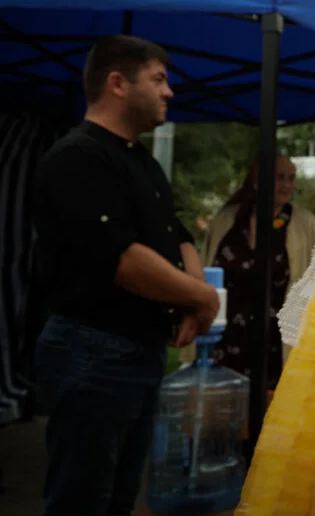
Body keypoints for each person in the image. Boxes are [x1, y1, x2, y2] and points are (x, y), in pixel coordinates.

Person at [32, 36, 220, 516]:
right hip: (93, 349)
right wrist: (202, 297)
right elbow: (125, 262)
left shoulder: (140, 161)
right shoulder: (77, 156)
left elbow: (177, 237)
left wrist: (193, 299)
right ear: (117, 83)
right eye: (158, 79)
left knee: (118, 498)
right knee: (82, 500)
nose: (170, 92)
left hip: (138, 351)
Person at [201, 154, 315, 386]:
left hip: (278, 343)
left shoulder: (304, 224)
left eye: (291, 178)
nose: (287, 185)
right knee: (229, 411)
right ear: (257, 181)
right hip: (228, 340)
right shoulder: (227, 221)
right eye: (279, 178)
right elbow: (205, 274)